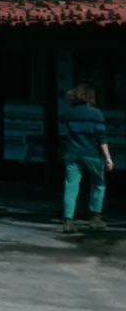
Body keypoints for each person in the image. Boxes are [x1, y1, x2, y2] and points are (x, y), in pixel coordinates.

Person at [62, 83, 114, 233]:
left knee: (71, 186)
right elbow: (101, 138)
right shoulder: (97, 114)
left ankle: (68, 221)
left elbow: (63, 120)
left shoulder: (68, 114)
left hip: (72, 154)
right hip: (92, 154)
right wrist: (108, 158)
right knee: (98, 184)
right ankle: (95, 218)